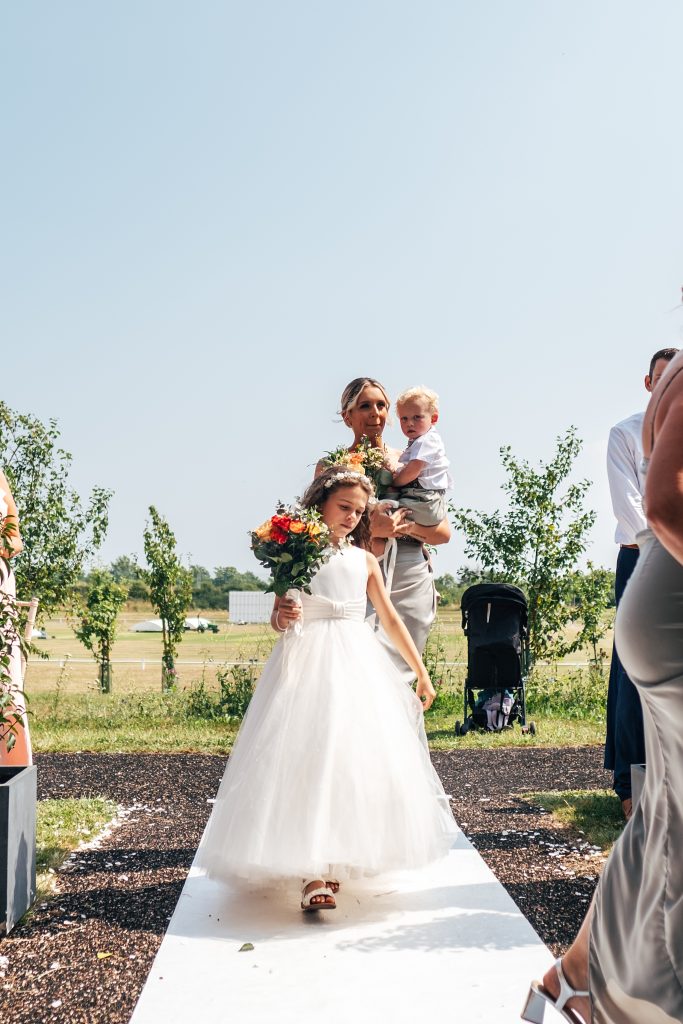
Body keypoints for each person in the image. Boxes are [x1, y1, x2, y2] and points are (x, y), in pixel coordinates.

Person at [196, 466, 458, 911]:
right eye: (343, 507)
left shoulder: (365, 560)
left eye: (359, 511)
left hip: (357, 661)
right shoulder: (296, 555)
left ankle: (335, 860)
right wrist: (282, 616)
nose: (351, 517)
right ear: (320, 504)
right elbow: (279, 617)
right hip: (306, 663)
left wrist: (422, 671)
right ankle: (311, 871)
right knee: (307, 755)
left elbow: (390, 619)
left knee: (351, 760)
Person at [522, 347, 683, 1023]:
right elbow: (665, 503)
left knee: (664, 812)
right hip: (671, 599)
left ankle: (578, 977)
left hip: (661, 597)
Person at [321, 377, 451, 683]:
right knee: (357, 665)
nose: (375, 413)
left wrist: (403, 526)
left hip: (409, 573)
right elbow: (321, 531)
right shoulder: (333, 466)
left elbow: (442, 532)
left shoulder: (410, 460)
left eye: (381, 405)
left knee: (404, 668)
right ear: (347, 416)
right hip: (356, 574)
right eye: (364, 406)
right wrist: (372, 531)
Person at [604, 347, 678, 819]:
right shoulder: (625, 433)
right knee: (635, 674)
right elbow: (629, 504)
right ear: (650, 385)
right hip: (643, 558)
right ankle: (632, 782)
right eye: (663, 378)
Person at [382, 385, 453, 527]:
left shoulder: (427, 440)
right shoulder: (421, 440)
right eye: (404, 419)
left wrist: (394, 482)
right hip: (423, 500)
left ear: (433, 418)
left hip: (424, 501)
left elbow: (413, 470)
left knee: (383, 510)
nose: (410, 423)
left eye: (417, 417)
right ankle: (418, 545)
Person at [0, 468, 31, 767]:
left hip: (1, 583)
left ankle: (9, 763)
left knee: (4, 678)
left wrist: (5, 547)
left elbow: (15, 538)